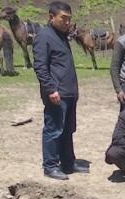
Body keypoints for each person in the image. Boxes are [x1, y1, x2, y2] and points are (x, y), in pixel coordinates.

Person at [33, 1, 87, 180]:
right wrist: (50, 89)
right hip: (56, 93)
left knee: (68, 129)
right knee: (54, 129)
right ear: (51, 17)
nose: (67, 23)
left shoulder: (62, 36)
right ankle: (50, 166)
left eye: (69, 19)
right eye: (63, 19)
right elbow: (40, 66)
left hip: (69, 92)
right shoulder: (44, 36)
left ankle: (68, 162)